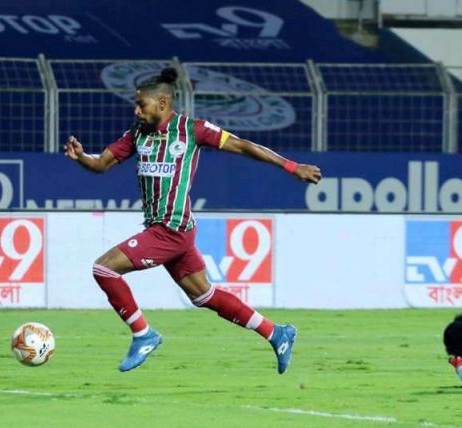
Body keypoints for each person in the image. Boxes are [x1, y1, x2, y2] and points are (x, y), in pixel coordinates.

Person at [64, 67, 322, 373]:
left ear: (162, 103)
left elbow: (242, 145)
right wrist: (82, 157)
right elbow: (101, 164)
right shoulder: (136, 134)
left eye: (141, 104)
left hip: (171, 228)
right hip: (171, 230)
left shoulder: (193, 130)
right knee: (204, 296)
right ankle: (276, 333)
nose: (136, 110)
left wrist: (292, 167)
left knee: (103, 268)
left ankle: (143, 333)